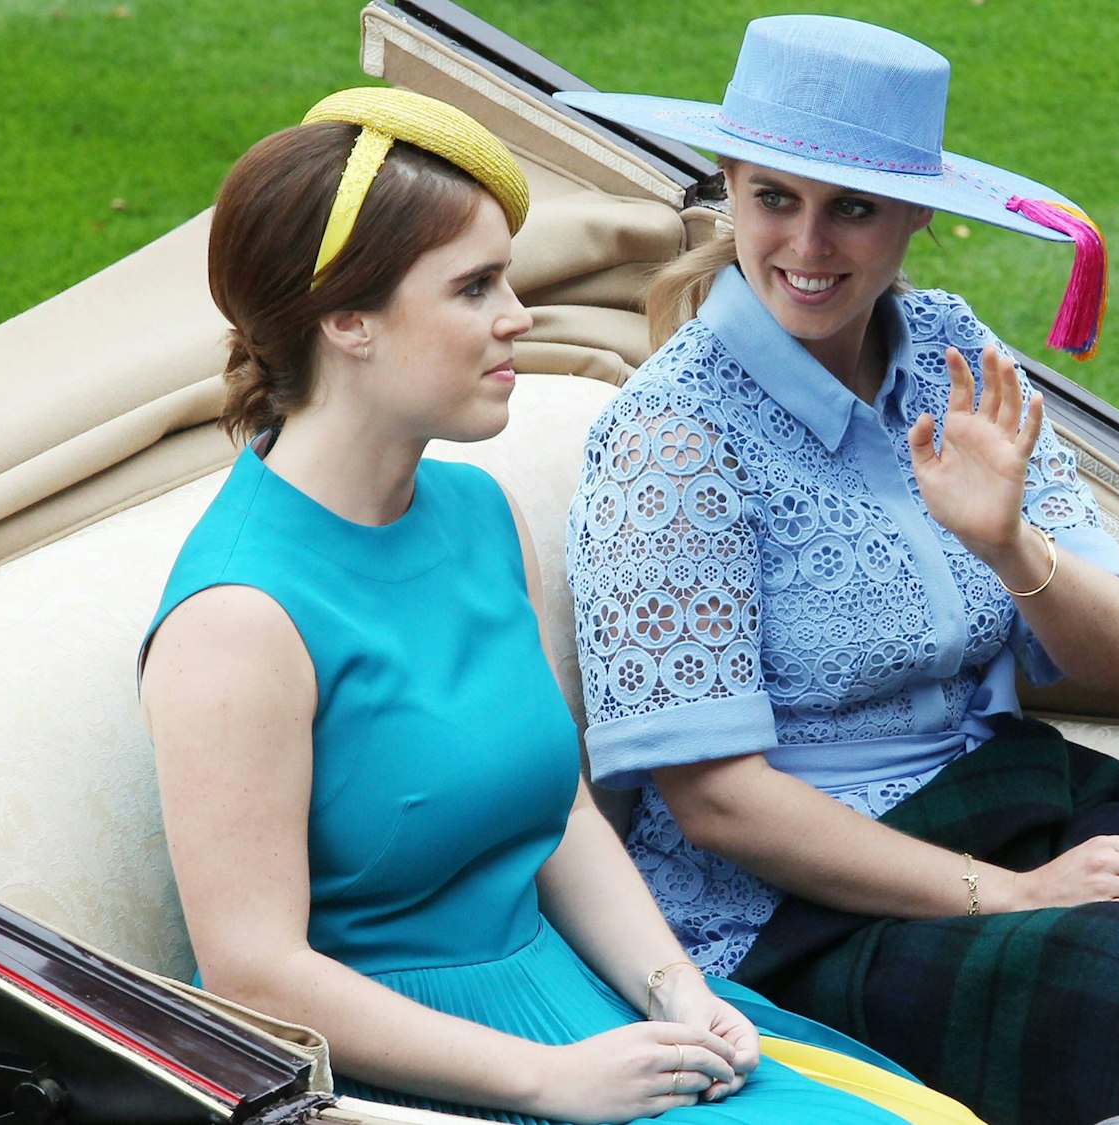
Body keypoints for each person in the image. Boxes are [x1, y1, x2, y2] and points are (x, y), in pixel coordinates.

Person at [557, 17, 1119, 1125]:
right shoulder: (670, 438)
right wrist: (1006, 898)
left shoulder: (954, 352)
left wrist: (1007, 542)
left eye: (852, 208)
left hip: (1004, 809)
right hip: (794, 918)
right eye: (773, 198)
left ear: (917, 214)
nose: (807, 244)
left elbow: (1111, 656)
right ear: (728, 185)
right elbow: (717, 803)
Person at [139, 86, 972, 1125]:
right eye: (474, 286)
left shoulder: (471, 511)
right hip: (434, 1082)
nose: (515, 317)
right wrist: (550, 1081)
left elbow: (558, 813)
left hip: (585, 1005)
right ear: (345, 320)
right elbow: (253, 978)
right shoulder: (237, 621)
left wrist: (674, 987)